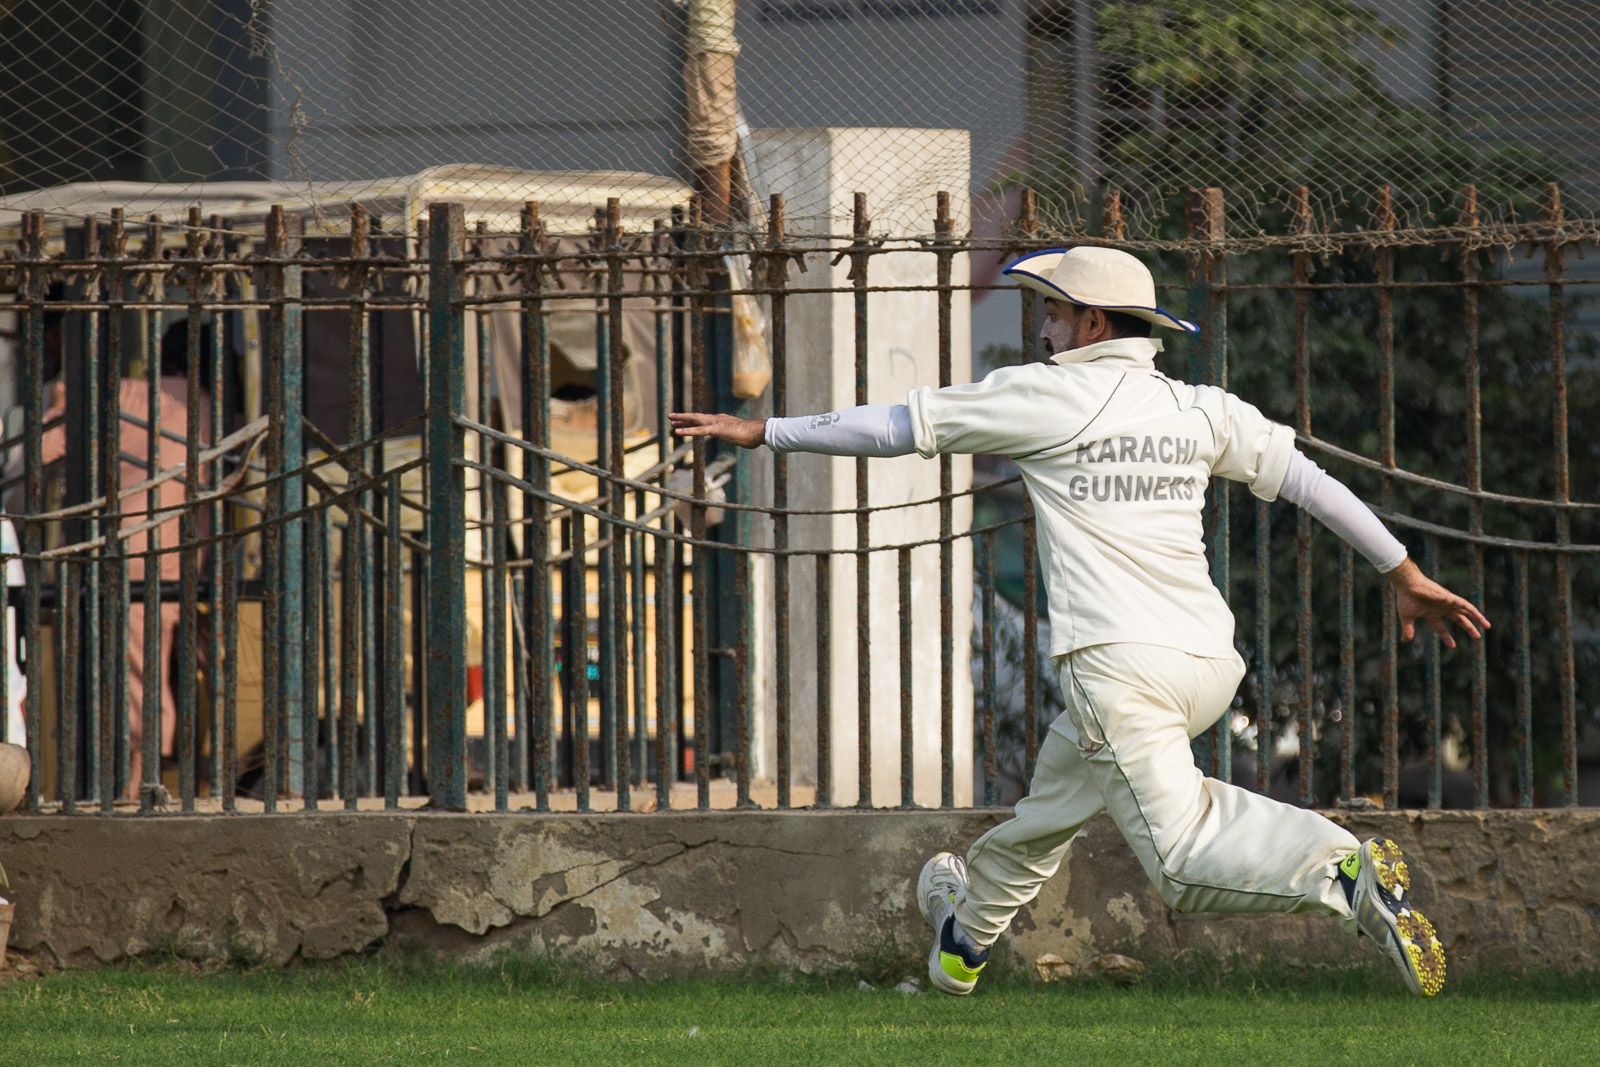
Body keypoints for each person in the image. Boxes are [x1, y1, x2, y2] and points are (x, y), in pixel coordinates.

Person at [669, 246, 1489, 998]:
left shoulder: (1043, 395)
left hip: (1117, 669)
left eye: (1054, 314)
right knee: (1049, 810)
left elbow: (897, 427)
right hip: (1206, 663)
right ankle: (962, 943)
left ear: (1093, 324)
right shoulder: (1198, 406)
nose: (1044, 330)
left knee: (1180, 858)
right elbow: (1308, 481)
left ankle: (1341, 869)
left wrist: (764, 430)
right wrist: (1403, 571)